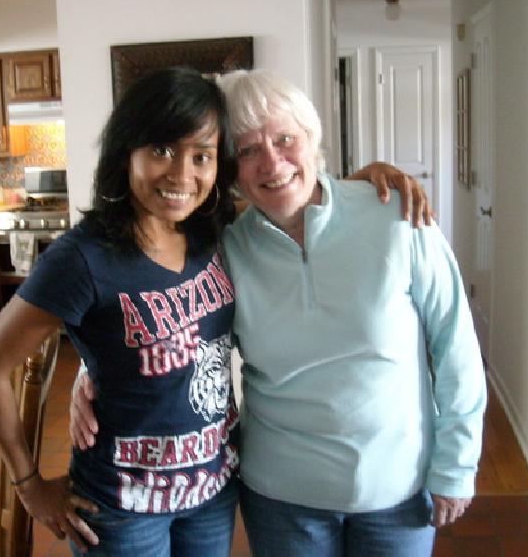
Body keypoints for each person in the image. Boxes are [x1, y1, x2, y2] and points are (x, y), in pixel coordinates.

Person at [70, 69, 486, 557]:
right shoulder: (222, 249)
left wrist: (457, 465)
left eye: (285, 139)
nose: (272, 162)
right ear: (230, 169)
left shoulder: (396, 217)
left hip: (397, 491)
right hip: (281, 497)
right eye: (247, 151)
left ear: (311, 140)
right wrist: (91, 369)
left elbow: (455, 346)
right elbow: (158, 315)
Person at [0, 67, 241, 556]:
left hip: (211, 493)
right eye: (162, 150)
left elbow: (291, 184)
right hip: (121, 509)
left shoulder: (213, 234)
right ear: (126, 153)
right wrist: (28, 484)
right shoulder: (84, 257)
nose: (183, 174)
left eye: (201, 156)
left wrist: (368, 181)